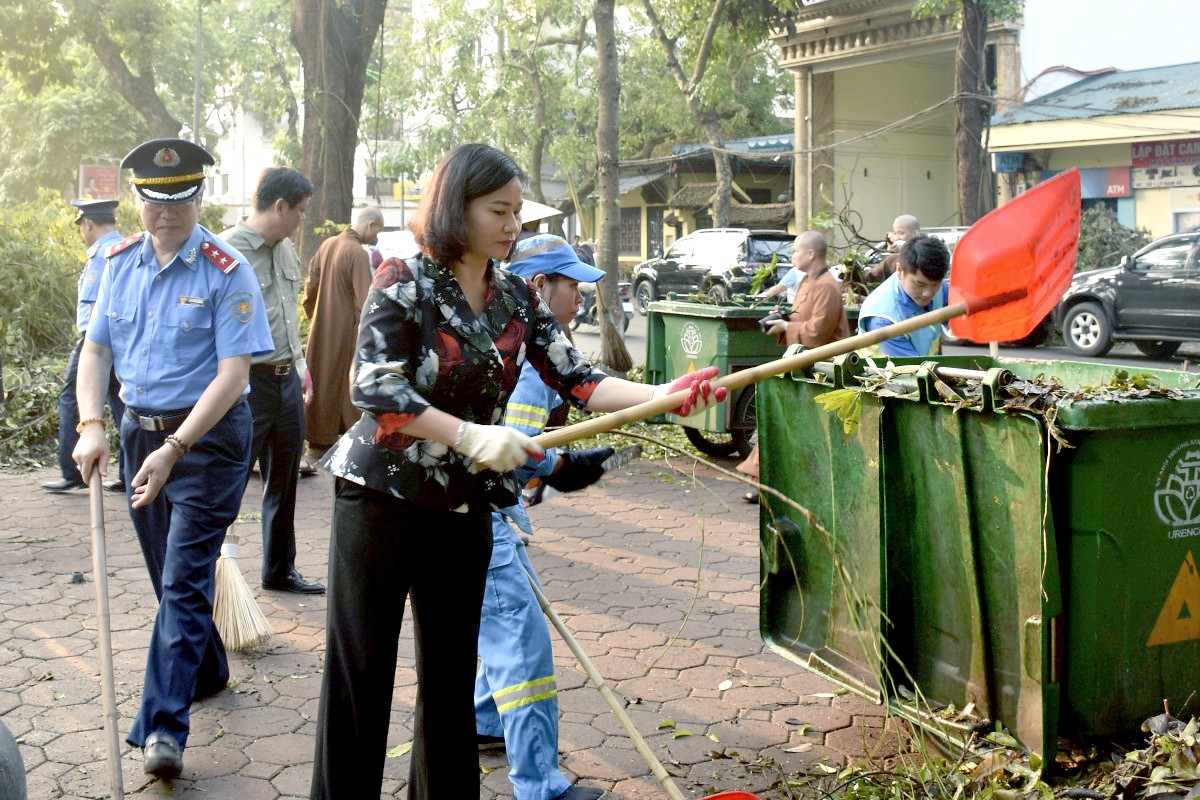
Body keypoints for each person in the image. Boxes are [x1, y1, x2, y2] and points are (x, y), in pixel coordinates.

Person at [309, 143, 726, 800]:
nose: (512, 225)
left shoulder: (514, 296)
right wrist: (469, 434)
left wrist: (662, 395)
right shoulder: (403, 279)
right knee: (362, 677)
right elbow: (375, 387)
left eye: (516, 212)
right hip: (382, 498)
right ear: (457, 208)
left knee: (450, 680)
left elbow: (579, 378)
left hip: (463, 507)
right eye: (497, 211)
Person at [72, 138, 274, 780]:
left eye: (181, 201)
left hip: (207, 443)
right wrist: (92, 424)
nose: (167, 214)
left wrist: (175, 447)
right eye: (155, 201)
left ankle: (163, 726)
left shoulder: (227, 271)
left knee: (184, 579)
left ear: (200, 197)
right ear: (136, 200)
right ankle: (206, 668)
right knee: (170, 576)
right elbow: (96, 352)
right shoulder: (118, 263)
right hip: (139, 435)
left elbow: (233, 376)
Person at [474, 234, 614, 800]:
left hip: (492, 507)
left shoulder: (519, 336)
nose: (580, 298)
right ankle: (540, 787)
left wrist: (668, 393)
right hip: (484, 509)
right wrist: (555, 466)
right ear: (538, 286)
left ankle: (485, 720)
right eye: (571, 285)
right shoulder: (527, 359)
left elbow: (588, 384)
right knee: (521, 643)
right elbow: (516, 447)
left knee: (508, 619)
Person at [220, 168, 325, 595]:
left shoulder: (285, 251)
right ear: (279, 206)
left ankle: (280, 570)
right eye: (300, 212)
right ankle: (211, 575)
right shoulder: (226, 251)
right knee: (228, 479)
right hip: (244, 385)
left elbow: (286, 315)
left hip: (285, 382)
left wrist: (300, 365)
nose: (301, 221)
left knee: (284, 481)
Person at [741, 231, 849, 503]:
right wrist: (782, 321)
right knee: (781, 421)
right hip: (803, 365)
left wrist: (787, 327)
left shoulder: (827, 286)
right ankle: (763, 482)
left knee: (784, 421)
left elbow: (819, 332)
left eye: (796, 251)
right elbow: (803, 319)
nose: (792, 257)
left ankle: (766, 483)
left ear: (811, 254)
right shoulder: (808, 281)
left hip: (822, 372)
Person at [43, 199, 127, 494]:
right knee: (122, 402)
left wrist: (90, 347)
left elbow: (94, 308)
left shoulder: (102, 254)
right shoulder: (124, 248)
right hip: (120, 338)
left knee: (72, 399)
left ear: (88, 223)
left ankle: (74, 470)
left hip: (97, 341)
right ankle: (131, 471)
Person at [301, 207, 384, 463]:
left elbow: (310, 286)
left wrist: (316, 316)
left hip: (321, 326)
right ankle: (353, 442)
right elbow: (366, 300)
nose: (376, 236)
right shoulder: (357, 253)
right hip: (346, 330)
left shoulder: (328, 244)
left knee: (321, 380)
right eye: (378, 230)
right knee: (345, 384)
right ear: (370, 224)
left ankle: (317, 442)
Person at [857, 233, 950, 358]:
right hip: (893, 370)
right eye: (919, 284)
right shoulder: (883, 319)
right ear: (900, 271)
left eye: (935, 285)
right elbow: (913, 367)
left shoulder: (941, 288)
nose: (927, 293)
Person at [865, 214, 920, 283]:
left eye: (901, 233)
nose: (897, 238)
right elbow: (869, 277)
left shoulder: (925, 253)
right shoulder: (892, 258)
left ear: (915, 233)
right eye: (895, 233)